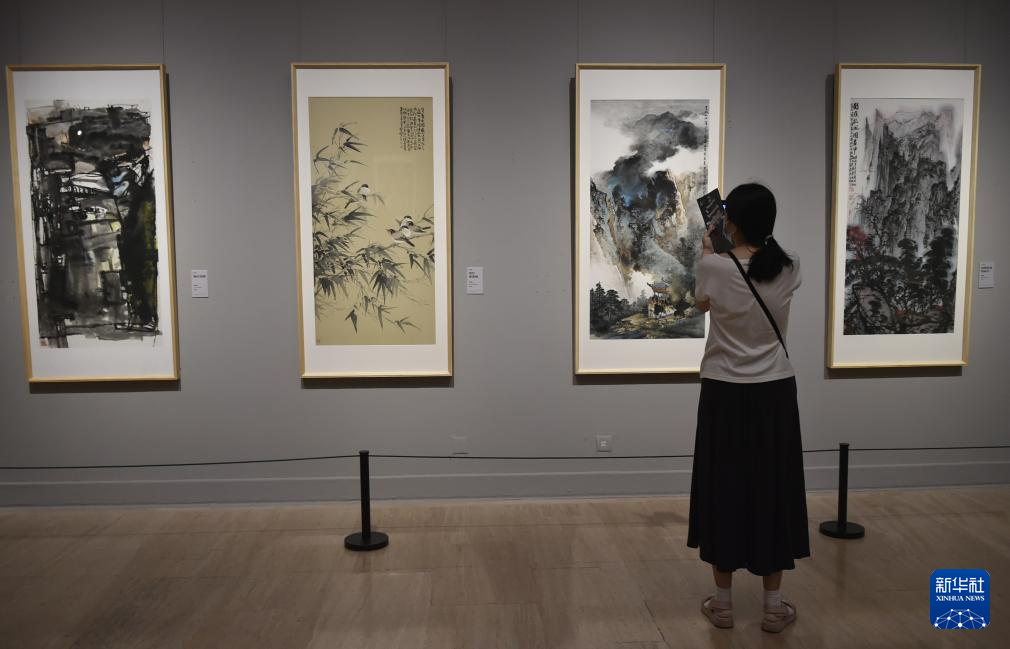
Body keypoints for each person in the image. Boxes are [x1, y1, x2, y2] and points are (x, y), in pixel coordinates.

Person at [687, 183, 809, 633]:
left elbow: (701, 302)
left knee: (723, 487)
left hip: (724, 390)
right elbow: (766, 264)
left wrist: (709, 250)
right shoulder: (790, 264)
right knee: (772, 489)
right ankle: (773, 607)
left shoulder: (713, 266)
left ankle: (723, 605)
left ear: (730, 221)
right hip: (774, 390)